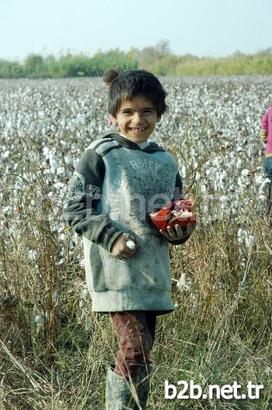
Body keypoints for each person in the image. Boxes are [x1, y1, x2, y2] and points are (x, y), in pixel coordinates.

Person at [63, 70, 195, 409]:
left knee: (141, 352)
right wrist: (112, 238)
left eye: (147, 111)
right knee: (135, 349)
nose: (138, 119)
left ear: (159, 115)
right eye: (128, 112)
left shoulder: (166, 161)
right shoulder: (101, 154)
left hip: (152, 272)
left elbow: (173, 211)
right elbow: (76, 208)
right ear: (114, 116)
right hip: (117, 273)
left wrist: (179, 231)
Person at [260, 101, 272, 215]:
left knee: (271, 184)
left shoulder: (270, 111)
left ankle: (267, 213)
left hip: (270, 157)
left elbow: (263, 129)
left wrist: (266, 142)